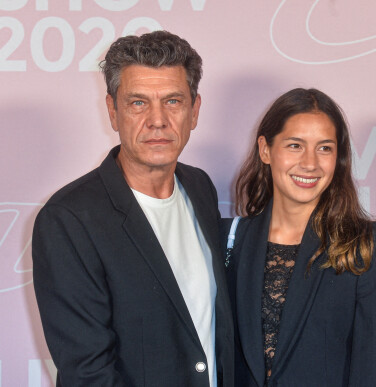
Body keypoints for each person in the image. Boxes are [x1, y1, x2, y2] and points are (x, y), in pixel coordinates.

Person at [32, 31, 234, 387]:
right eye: (138, 103)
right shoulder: (69, 219)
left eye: (173, 101)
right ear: (112, 111)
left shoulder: (200, 187)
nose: (158, 120)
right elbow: (87, 374)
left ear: (195, 110)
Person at [223, 88, 376, 386]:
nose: (310, 163)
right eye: (295, 145)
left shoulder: (367, 245)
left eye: (325, 148)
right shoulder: (228, 240)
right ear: (265, 150)